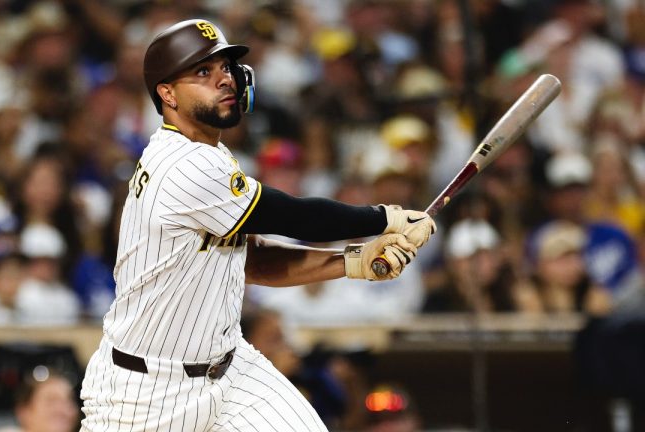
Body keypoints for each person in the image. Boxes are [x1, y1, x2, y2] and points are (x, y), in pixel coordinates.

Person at [79, 19, 436, 431]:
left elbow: (251, 261)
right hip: (145, 391)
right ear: (167, 93)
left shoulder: (210, 153)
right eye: (202, 72)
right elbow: (291, 215)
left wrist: (353, 260)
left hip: (230, 369)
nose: (224, 79)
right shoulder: (183, 164)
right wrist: (383, 218)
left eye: (226, 69)